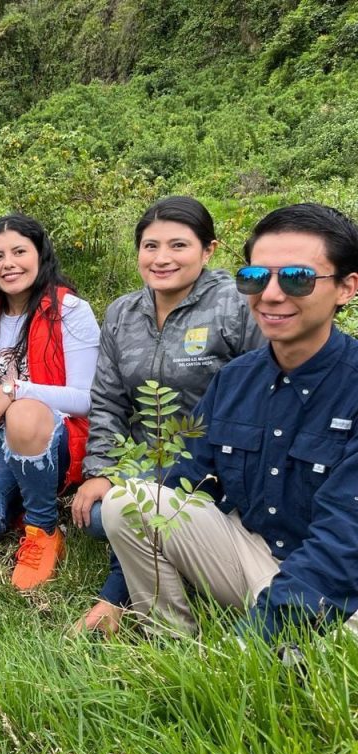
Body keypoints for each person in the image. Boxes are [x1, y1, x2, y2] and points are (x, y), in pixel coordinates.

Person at [102, 203, 358, 641]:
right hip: (252, 554)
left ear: (346, 289)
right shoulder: (235, 380)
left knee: (327, 658)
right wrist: (113, 595)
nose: (272, 295)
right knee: (129, 501)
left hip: (339, 584)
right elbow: (185, 483)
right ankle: (168, 637)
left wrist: (251, 641)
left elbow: (343, 542)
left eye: (297, 278)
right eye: (257, 278)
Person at [70, 196, 263, 635]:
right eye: (150, 246)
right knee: (99, 515)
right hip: (140, 452)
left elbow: (258, 400)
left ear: (208, 250)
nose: (161, 259)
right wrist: (102, 469)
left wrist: (111, 592)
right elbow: (108, 400)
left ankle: (127, 593)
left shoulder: (234, 305)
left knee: (132, 512)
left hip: (214, 457)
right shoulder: (122, 312)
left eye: (178, 245)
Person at [0, 212, 100, 589]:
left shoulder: (70, 310)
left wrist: (16, 390)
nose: (8, 264)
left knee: (25, 413)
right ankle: (14, 505)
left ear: (40, 254)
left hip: (55, 437)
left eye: (19, 252)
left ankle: (42, 529)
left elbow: (87, 399)